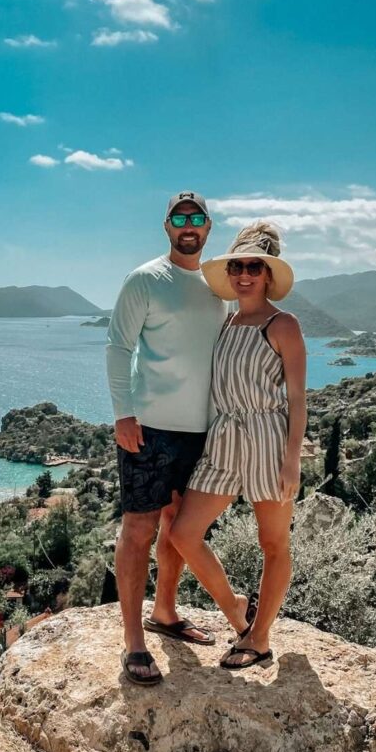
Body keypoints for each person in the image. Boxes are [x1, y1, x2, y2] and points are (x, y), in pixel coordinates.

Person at [171, 221, 306, 669]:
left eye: (254, 266)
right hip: (224, 437)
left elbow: (298, 400)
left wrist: (292, 460)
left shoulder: (283, 324)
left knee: (273, 545)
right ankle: (235, 608)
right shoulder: (226, 322)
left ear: (268, 275)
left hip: (268, 438)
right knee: (183, 533)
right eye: (238, 265)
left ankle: (260, 637)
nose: (245, 274)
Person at [106, 191, 227, 684]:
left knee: (179, 526)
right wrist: (123, 414)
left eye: (196, 218)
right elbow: (118, 346)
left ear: (208, 226)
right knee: (139, 529)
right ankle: (134, 642)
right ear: (167, 227)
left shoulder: (218, 284)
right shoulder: (146, 279)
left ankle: (167, 613)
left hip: (202, 429)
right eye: (180, 218)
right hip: (149, 427)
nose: (188, 226)